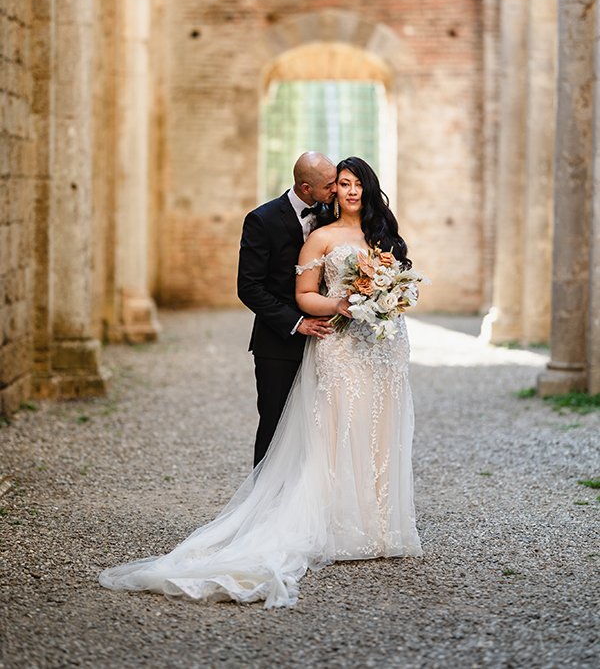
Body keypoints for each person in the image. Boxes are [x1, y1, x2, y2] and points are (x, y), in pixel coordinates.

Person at [99, 156, 422, 608]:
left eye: (351, 184)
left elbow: (401, 281)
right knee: (295, 428)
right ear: (311, 188)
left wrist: (391, 299)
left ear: (368, 189)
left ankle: (377, 523)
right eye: (336, 185)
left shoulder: (381, 234)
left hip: (381, 350)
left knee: (377, 428)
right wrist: (333, 309)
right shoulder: (286, 225)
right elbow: (257, 288)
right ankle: (277, 513)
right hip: (305, 340)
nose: (342, 192)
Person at [237, 151, 338, 466]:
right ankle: (265, 507)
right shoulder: (262, 220)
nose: (336, 190)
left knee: (319, 426)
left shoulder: (331, 215)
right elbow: (249, 287)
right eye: (330, 185)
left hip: (328, 341)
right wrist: (298, 322)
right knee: (275, 426)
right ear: (306, 188)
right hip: (278, 343)